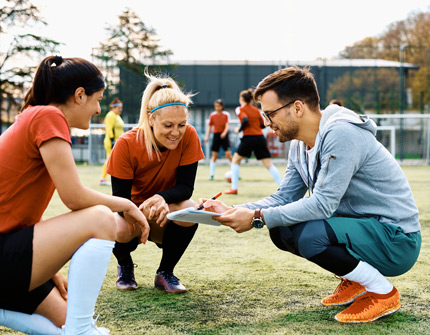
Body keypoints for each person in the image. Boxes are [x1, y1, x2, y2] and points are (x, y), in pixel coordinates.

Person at [201, 66, 421, 323]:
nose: (266, 123)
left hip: (397, 240)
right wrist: (233, 210)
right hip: (363, 231)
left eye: (270, 114)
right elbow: (283, 198)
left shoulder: (341, 133)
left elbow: (323, 205)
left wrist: (257, 217)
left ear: (297, 108)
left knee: (310, 236)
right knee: (281, 231)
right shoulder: (298, 143)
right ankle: (356, 280)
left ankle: (383, 293)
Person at [0, 56, 149, 335]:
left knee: (65, 320)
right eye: (98, 99)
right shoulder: (48, 116)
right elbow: (74, 197)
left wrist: (48, 267)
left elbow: (17, 210)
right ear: (79, 95)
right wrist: (127, 204)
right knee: (101, 218)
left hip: (10, 249)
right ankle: (81, 331)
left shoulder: (36, 115)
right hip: (4, 255)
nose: (98, 109)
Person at [106, 73, 204, 293]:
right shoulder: (126, 144)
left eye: (181, 124)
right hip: (131, 212)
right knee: (112, 225)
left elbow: (186, 188)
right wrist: (141, 214)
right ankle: (125, 266)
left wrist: (161, 198)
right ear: (151, 119)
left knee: (191, 209)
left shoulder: (189, 136)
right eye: (168, 125)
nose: (176, 132)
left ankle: (165, 272)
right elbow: (119, 200)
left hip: (164, 212)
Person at [225, 88, 281, 194]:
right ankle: (282, 187)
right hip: (259, 137)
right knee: (269, 164)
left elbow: (245, 119)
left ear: (241, 98)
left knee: (235, 161)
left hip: (248, 137)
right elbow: (262, 124)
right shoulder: (256, 110)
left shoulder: (240, 109)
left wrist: (239, 129)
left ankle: (234, 188)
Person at [204, 98, 233, 180]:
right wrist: (207, 136)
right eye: (216, 106)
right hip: (216, 136)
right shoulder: (212, 115)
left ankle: (235, 173)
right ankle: (211, 175)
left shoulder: (226, 114)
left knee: (228, 155)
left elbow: (227, 125)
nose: (217, 108)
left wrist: (224, 132)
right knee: (214, 155)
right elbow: (210, 127)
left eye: (219, 106)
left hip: (224, 136)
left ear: (222, 106)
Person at [100, 98, 125, 186]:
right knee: (110, 159)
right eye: (119, 108)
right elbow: (109, 128)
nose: (120, 109)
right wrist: (112, 141)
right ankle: (103, 178)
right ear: (113, 108)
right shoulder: (111, 115)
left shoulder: (117, 116)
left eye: (121, 108)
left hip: (118, 142)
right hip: (112, 142)